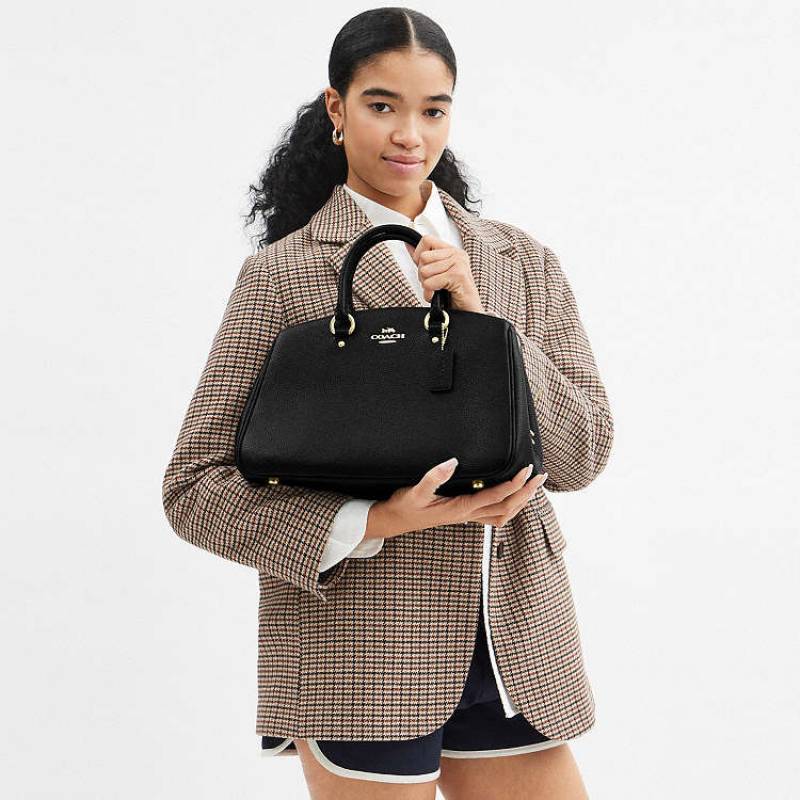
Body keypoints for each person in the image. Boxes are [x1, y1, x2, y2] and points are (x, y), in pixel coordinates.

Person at [162, 8, 613, 799]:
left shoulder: (519, 261)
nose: (410, 134)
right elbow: (194, 489)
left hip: (515, 639)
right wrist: (374, 522)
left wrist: (484, 324)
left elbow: (582, 455)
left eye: (433, 110)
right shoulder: (283, 276)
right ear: (337, 110)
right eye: (382, 105)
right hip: (360, 645)